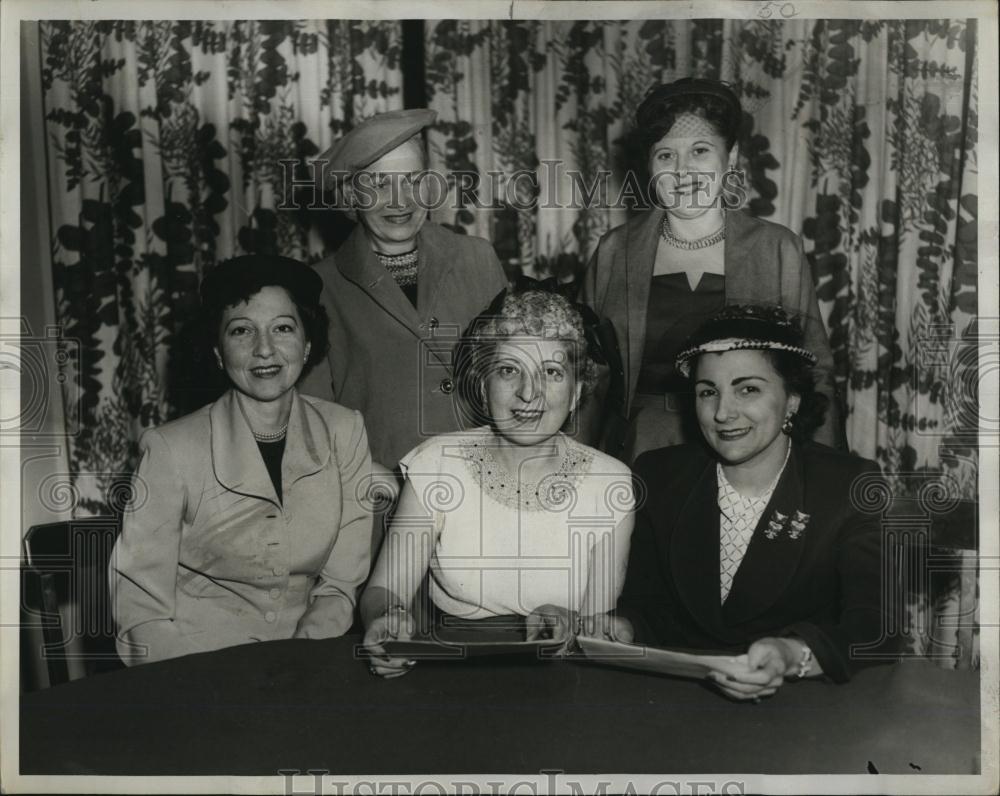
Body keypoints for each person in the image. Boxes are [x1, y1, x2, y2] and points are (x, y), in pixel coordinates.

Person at [610, 305, 894, 699]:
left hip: (803, 706)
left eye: (749, 389)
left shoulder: (849, 485)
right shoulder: (659, 475)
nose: (723, 413)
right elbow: (648, 606)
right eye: (708, 392)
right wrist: (624, 627)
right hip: (676, 700)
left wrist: (791, 654)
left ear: (792, 399)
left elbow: (877, 628)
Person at [110, 255, 375, 665]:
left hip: (309, 662)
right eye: (241, 331)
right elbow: (141, 611)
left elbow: (339, 588)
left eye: (283, 328)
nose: (264, 349)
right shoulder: (170, 449)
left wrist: (301, 663)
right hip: (195, 670)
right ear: (218, 352)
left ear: (307, 344)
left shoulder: (345, 431)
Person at [361, 289, 636, 677]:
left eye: (552, 373)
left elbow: (597, 628)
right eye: (509, 370)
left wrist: (571, 621)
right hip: (453, 676)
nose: (528, 393)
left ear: (575, 393)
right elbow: (385, 589)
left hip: (563, 681)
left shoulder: (610, 483)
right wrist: (386, 619)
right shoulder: (437, 462)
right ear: (484, 382)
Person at [580, 78, 841, 463]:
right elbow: (585, 374)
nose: (683, 170)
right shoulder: (615, 250)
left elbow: (815, 373)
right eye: (666, 155)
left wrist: (821, 473)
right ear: (650, 165)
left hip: (749, 453)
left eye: (700, 151)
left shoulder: (776, 248)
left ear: (730, 158)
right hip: (637, 452)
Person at [299, 108, 508, 471]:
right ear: (351, 196)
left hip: (483, 485)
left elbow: (515, 371)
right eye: (379, 185)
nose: (401, 200)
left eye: (412, 180)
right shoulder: (317, 287)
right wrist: (361, 477)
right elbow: (312, 417)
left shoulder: (478, 259)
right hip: (384, 495)